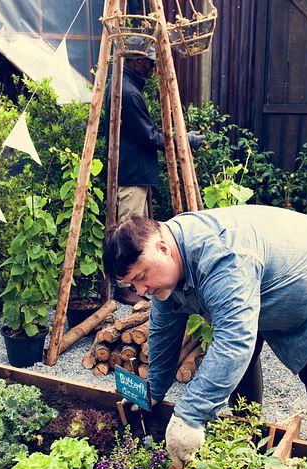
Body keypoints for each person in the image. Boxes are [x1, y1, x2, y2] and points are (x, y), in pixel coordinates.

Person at [104, 205, 307, 469]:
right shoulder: (166, 266)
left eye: (141, 278)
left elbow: (234, 342)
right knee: (239, 358)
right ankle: (247, 426)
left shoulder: (222, 258)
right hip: (259, 279)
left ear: (162, 248)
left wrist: (191, 415)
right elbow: (164, 332)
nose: (141, 291)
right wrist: (153, 391)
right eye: (133, 285)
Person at [105, 42, 203, 305]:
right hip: (132, 173)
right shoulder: (128, 92)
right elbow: (147, 136)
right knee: (130, 230)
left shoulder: (123, 86)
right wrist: (183, 140)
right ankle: (128, 285)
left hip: (132, 170)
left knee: (136, 229)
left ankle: (135, 282)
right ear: (136, 61)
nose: (152, 69)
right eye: (149, 63)